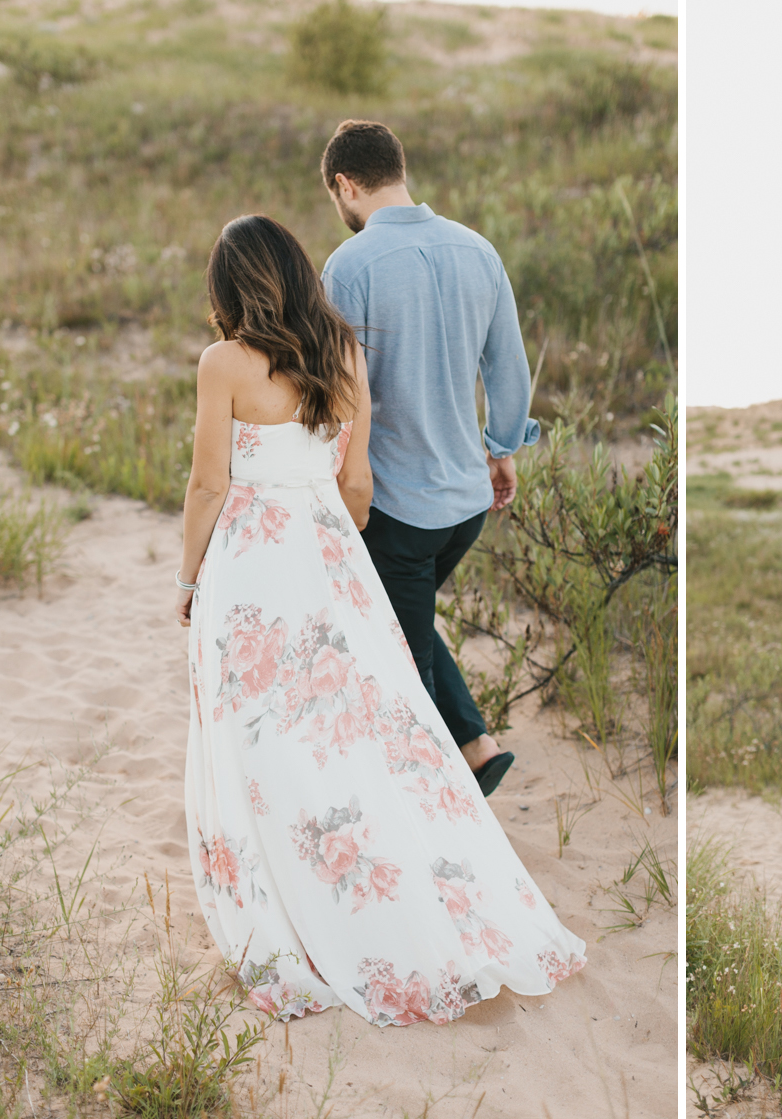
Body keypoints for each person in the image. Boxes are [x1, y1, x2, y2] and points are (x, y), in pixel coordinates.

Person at [174, 214, 585, 1025]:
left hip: (252, 564)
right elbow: (357, 485)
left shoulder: (222, 362)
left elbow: (207, 487)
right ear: (297, 273)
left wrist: (188, 576)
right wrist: (331, 544)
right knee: (360, 726)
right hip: (330, 552)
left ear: (228, 289)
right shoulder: (343, 353)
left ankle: (300, 902)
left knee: (263, 735)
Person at [318, 119, 536, 797]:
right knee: (395, 617)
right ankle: (476, 743)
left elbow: (336, 392)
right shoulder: (480, 251)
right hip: (466, 501)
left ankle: (449, 772)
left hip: (393, 505)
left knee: (397, 646)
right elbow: (511, 369)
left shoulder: (349, 266)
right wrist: (502, 450)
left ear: (346, 185)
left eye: (336, 197)